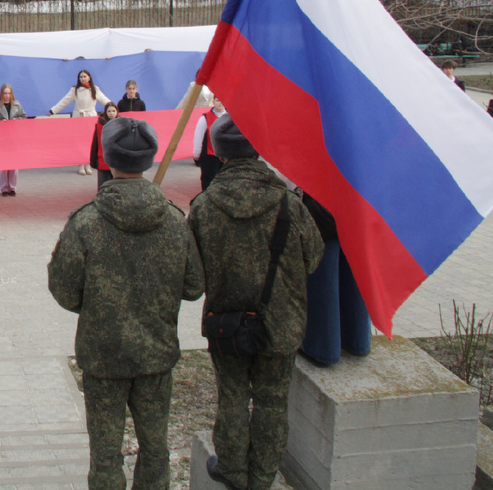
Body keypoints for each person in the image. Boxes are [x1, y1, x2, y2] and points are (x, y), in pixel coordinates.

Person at [49, 116, 204, 490]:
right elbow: (194, 286)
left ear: (107, 156)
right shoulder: (174, 221)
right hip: (156, 354)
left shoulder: (85, 222)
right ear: (149, 159)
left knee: (105, 456)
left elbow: (65, 291)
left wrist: (101, 304)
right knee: (155, 449)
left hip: (104, 355)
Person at [188, 115, 323, 490]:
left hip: (226, 323)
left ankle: (232, 469)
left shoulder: (204, 206)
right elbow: (314, 257)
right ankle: (262, 475)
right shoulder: (289, 204)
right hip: (282, 322)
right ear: (258, 150)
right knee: (272, 401)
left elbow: (193, 278)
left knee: (231, 397)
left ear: (219, 153)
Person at [298, 190, 371, 366]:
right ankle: (357, 340)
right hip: (358, 200)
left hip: (322, 202)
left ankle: (322, 347)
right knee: (354, 267)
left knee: (323, 275)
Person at [49, 69, 112, 174]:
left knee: (90, 141)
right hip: (79, 117)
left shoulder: (94, 89)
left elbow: (104, 100)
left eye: (85, 76)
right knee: (79, 141)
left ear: (89, 78)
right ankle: (81, 164)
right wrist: (53, 110)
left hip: (90, 117)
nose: (83, 78)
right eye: (81, 77)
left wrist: (113, 108)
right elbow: (65, 101)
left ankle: (88, 164)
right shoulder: (75, 90)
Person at [0, 83, 27, 196]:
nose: (7, 96)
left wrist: (16, 120)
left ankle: (12, 187)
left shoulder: (17, 105)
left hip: (14, 137)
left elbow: (24, 117)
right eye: (5, 93)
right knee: (3, 164)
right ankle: (4, 188)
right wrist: (0, 123)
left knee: (14, 163)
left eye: (9, 93)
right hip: (2, 138)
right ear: (1, 94)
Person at [192, 95, 226, 192]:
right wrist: (197, 153)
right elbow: (198, 136)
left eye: (222, 100)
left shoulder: (229, 117)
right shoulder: (205, 118)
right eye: (218, 100)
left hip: (226, 155)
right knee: (208, 180)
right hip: (210, 155)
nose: (220, 103)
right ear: (213, 102)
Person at [89, 103, 120, 189]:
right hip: (103, 160)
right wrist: (93, 160)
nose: (111, 113)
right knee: (104, 186)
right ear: (105, 112)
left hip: (118, 161)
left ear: (117, 111)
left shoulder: (122, 124)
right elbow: (95, 144)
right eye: (109, 111)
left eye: (113, 111)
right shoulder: (100, 126)